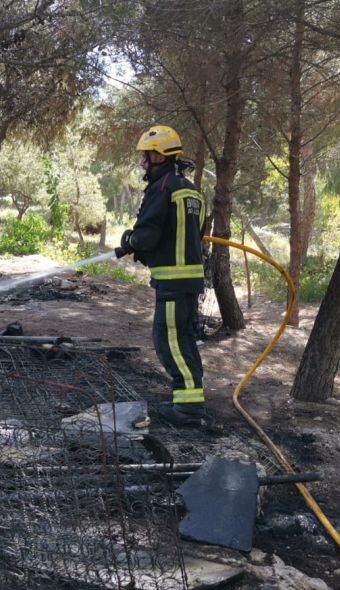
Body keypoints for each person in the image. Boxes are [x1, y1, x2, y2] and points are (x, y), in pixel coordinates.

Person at [115, 125, 209, 427]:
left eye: (147, 156)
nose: (144, 162)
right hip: (190, 281)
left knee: (169, 342)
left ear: (160, 156)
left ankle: (188, 410)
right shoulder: (192, 191)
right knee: (184, 340)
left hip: (172, 282)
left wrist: (130, 240)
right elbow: (193, 234)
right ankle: (189, 400)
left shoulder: (162, 188)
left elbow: (148, 234)